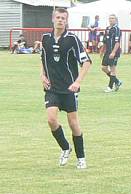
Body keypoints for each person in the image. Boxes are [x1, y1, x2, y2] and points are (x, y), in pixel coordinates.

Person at [40, 8, 92, 169]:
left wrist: (77, 82)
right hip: (52, 88)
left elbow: (87, 62)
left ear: (67, 21)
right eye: (58, 17)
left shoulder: (72, 39)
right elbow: (43, 59)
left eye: (63, 18)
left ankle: (81, 158)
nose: (60, 20)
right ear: (53, 19)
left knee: (73, 123)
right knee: (51, 119)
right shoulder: (45, 39)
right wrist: (42, 75)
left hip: (69, 89)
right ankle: (65, 147)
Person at [102, 14, 122, 93]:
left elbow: (117, 42)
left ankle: (110, 87)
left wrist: (113, 52)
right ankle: (117, 81)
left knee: (112, 68)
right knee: (103, 68)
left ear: (116, 20)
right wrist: (102, 51)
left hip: (114, 52)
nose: (111, 20)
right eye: (110, 18)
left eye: (113, 18)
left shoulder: (117, 29)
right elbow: (105, 41)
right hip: (107, 52)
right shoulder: (107, 29)